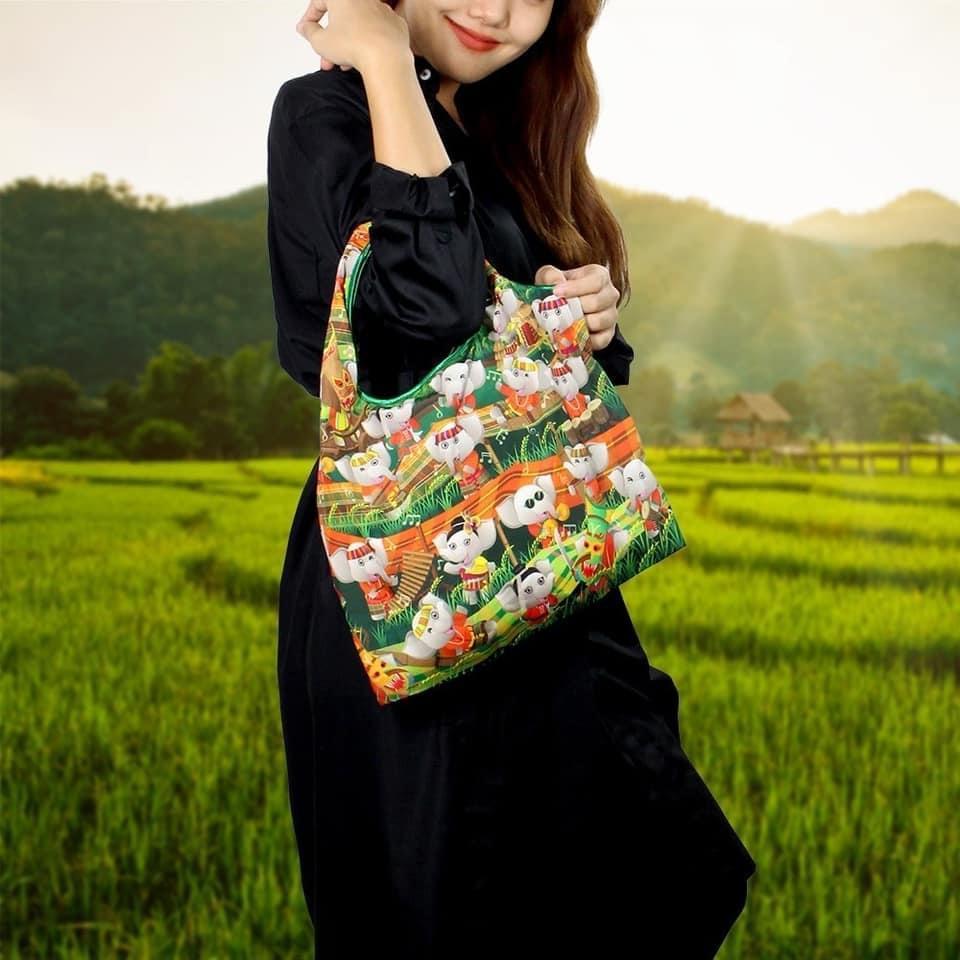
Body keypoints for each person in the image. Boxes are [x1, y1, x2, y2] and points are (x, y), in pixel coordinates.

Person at [267, 1, 757, 956]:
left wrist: (593, 314)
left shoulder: (506, 136)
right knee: (450, 899)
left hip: (549, 569)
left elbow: (528, 368)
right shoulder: (326, 115)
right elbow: (426, 315)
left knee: (643, 870)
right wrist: (384, 60)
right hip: (412, 574)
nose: (496, 10)